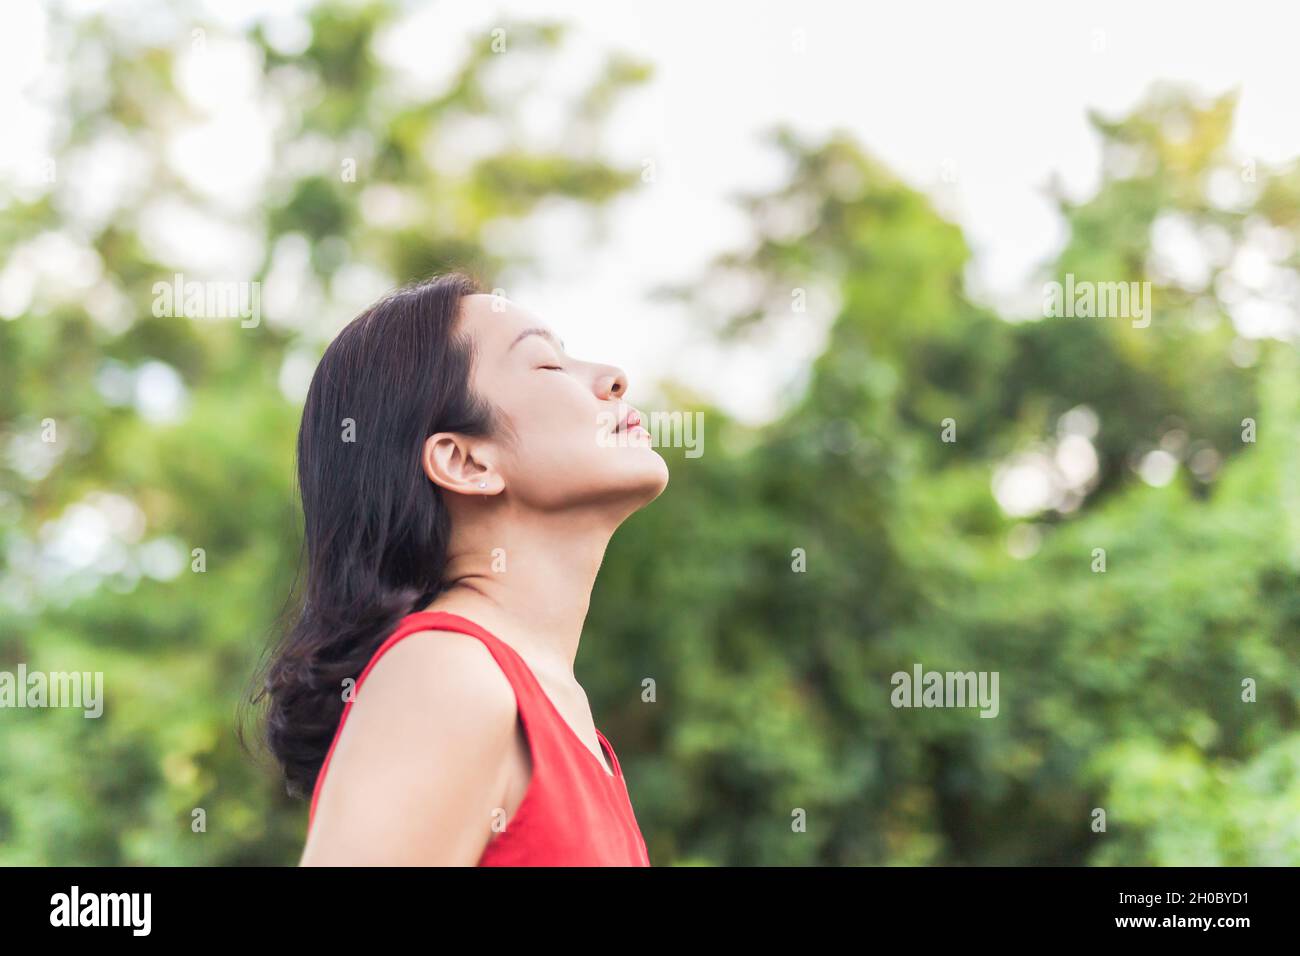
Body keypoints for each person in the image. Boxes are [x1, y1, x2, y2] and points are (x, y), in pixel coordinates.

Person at [256, 273, 668, 865]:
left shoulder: (564, 715)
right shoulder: (445, 672)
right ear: (465, 460)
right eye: (547, 364)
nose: (612, 378)